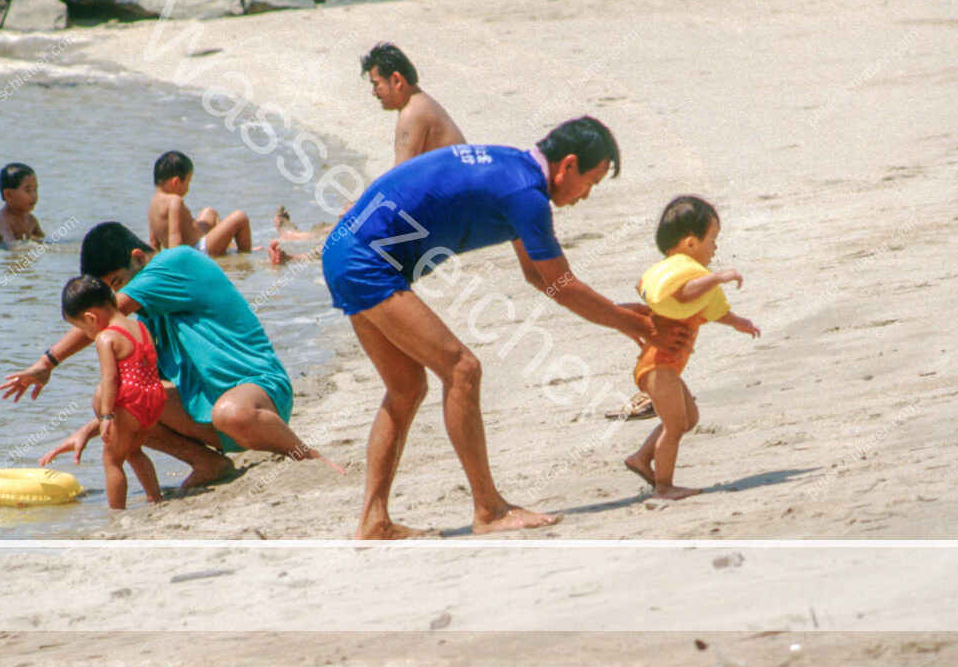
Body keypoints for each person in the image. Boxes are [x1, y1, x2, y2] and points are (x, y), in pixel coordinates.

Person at [321, 116, 688, 539]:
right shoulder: (526, 194)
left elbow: (540, 277)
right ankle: (489, 510)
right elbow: (561, 284)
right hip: (364, 260)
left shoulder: (516, 171)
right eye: (591, 182)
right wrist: (637, 324)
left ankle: (373, 521)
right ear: (568, 165)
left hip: (345, 250)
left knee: (406, 388)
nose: (586, 194)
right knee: (461, 369)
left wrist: (622, 317)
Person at [1, 223, 342, 485]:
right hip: (208, 413)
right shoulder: (145, 318)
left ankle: (306, 455)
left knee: (230, 412)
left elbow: (104, 317)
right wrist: (90, 429)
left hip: (260, 396)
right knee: (109, 393)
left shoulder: (176, 262)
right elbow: (138, 395)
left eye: (117, 284)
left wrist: (47, 362)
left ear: (138, 258)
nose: (114, 301)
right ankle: (208, 464)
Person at [623, 196, 760, 501]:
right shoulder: (688, 281)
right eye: (713, 240)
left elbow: (713, 310)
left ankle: (641, 458)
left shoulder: (699, 280)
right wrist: (719, 276)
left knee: (689, 418)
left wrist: (739, 322)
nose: (716, 247)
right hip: (658, 364)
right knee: (674, 426)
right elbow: (684, 294)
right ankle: (663, 486)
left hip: (665, 366)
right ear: (690, 243)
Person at [61, 275, 165, 509]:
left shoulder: (105, 337)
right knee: (134, 451)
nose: (86, 333)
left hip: (130, 404)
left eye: (81, 327)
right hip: (154, 399)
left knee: (112, 459)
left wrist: (107, 416)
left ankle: (117, 511)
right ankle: (155, 497)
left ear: (91, 318)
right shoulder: (140, 327)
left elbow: (110, 379)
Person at [361, 43, 466, 166]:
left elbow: (401, 174)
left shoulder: (412, 113)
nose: (374, 93)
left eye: (376, 84)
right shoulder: (423, 102)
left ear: (396, 80)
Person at [147, 150, 253, 257]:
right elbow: (175, 241)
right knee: (240, 217)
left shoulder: (153, 204)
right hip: (198, 252)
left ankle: (231, 249)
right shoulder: (174, 201)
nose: (188, 188)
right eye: (188, 182)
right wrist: (177, 263)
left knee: (209, 212)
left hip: (195, 245)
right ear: (176, 182)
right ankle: (244, 254)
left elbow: (154, 244)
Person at [0, 162, 45, 248]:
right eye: (28, 191)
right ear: (8, 195)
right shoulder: (2, 219)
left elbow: (44, 241)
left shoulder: (31, 220)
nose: (34, 195)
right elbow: (11, 245)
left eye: (35, 189)